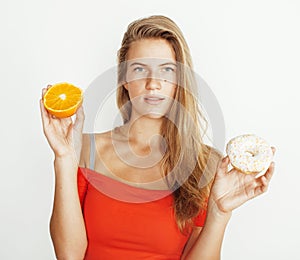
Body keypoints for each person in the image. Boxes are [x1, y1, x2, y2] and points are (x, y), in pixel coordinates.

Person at [40, 15, 275, 260]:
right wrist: (64, 158)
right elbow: (69, 255)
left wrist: (218, 214)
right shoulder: (84, 150)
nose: (153, 84)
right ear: (124, 79)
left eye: (167, 70)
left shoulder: (206, 164)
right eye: (140, 69)